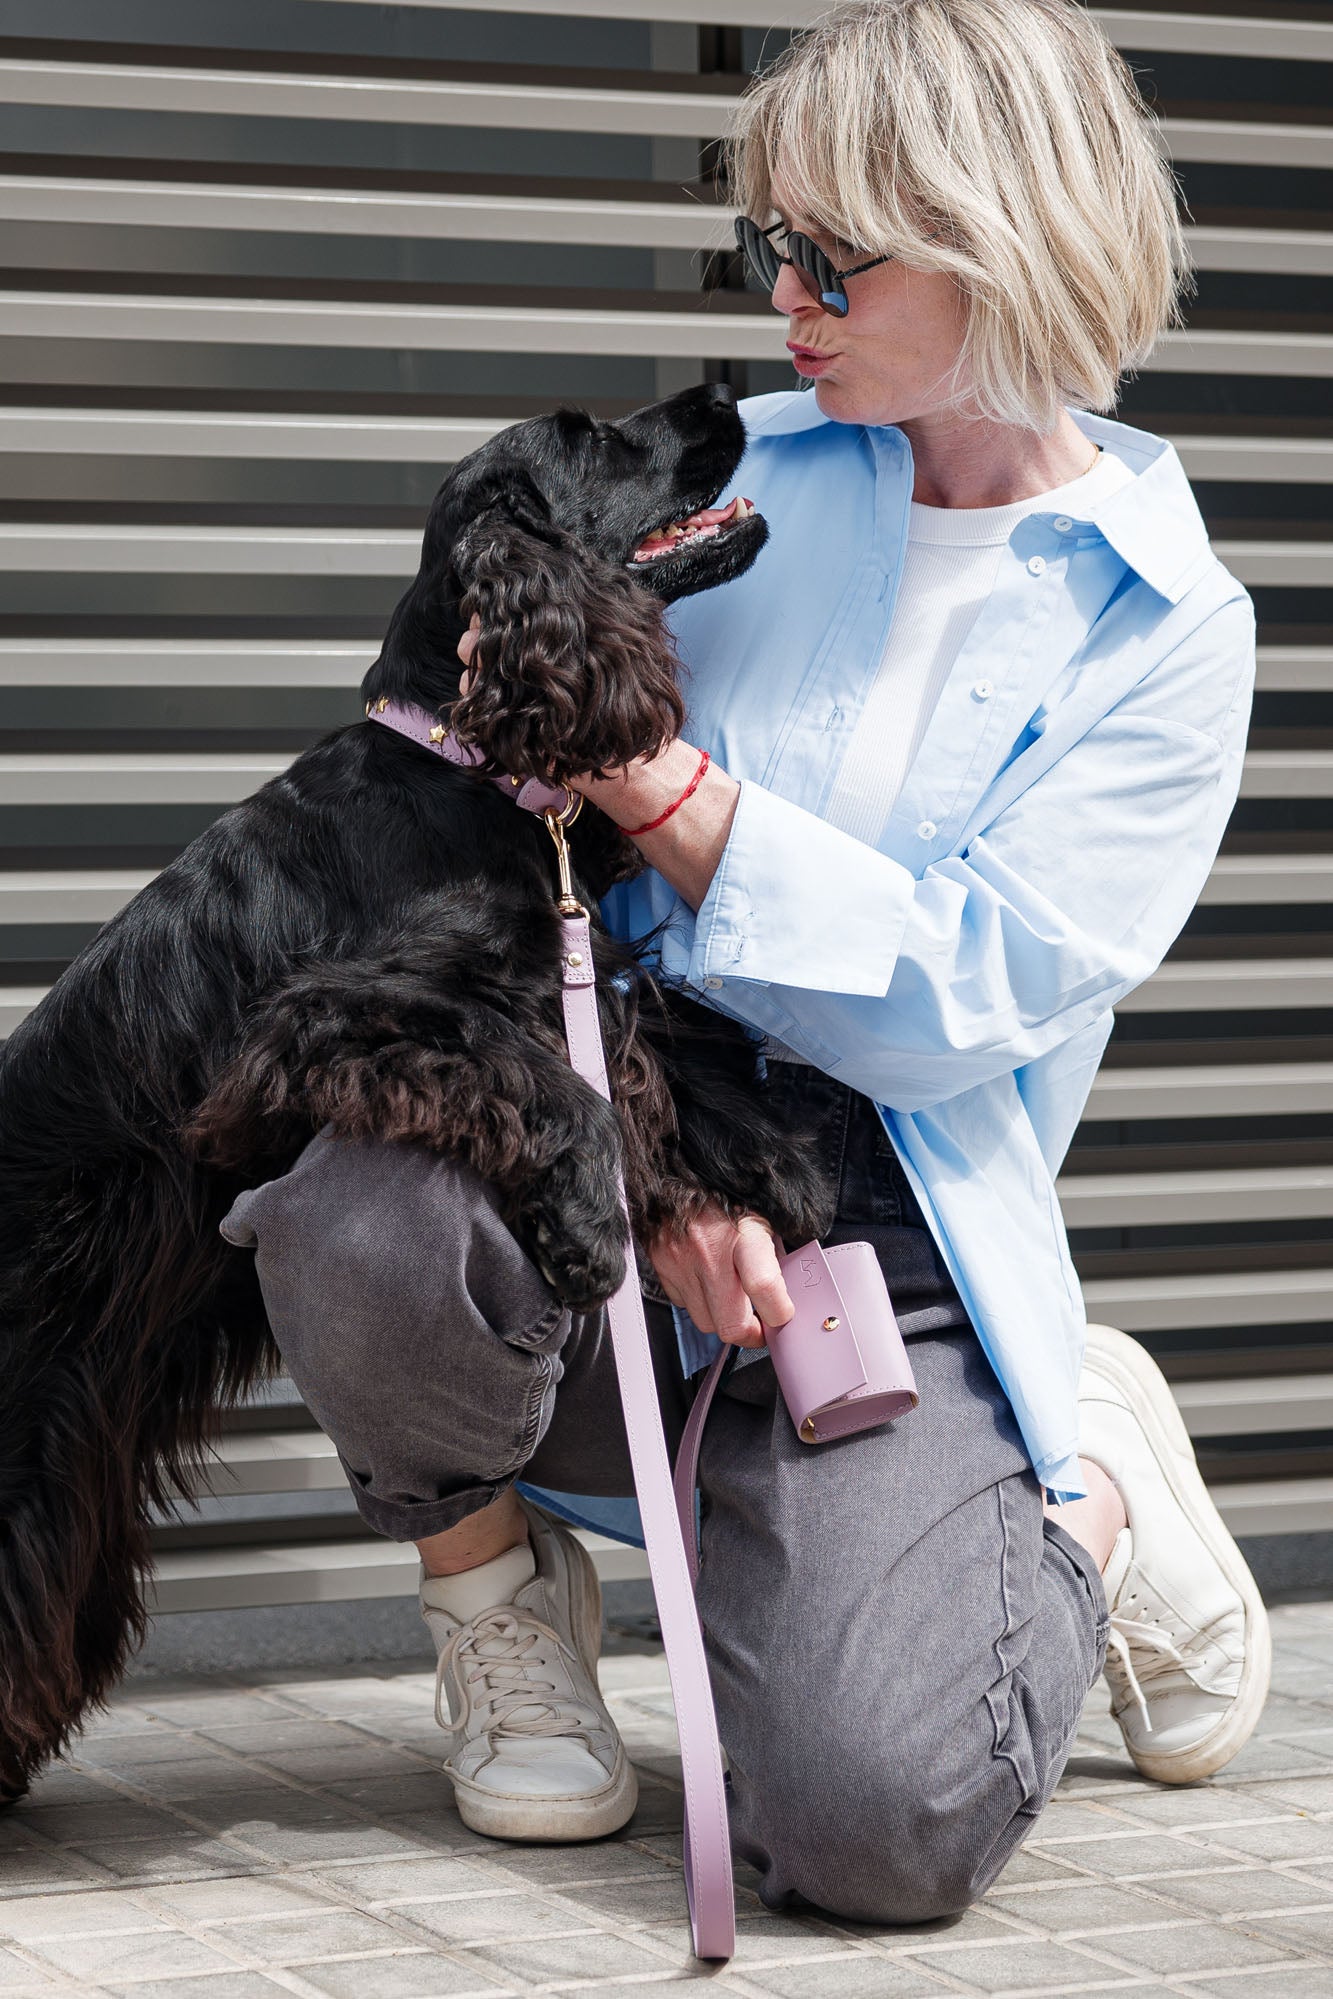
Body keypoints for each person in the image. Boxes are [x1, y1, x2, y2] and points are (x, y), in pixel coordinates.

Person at [224, 0, 1269, 1924]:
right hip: (609, 1106)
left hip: (891, 1210)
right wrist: (660, 1159)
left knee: (880, 1828)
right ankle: (486, 1592)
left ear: (995, 235)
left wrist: (658, 785)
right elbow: (481, 820)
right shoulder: (728, 485)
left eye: (829, 255)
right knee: (344, 1217)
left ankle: (1088, 1487)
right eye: (760, 244)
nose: (777, 292)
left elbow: (960, 997)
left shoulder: (1166, 628)